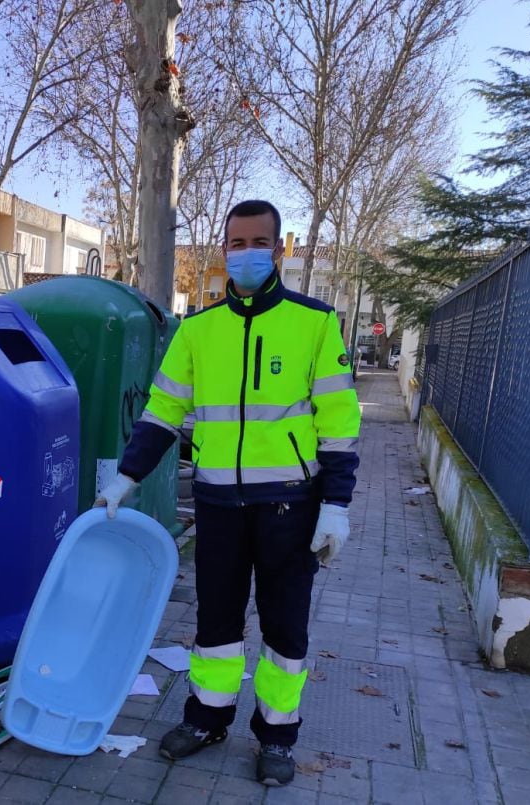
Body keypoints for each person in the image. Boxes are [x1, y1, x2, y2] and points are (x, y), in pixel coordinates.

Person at [96, 200, 360, 786]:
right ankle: (208, 719)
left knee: (284, 627)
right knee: (215, 622)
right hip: (218, 504)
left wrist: (337, 505)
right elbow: (163, 413)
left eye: (257, 242)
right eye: (235, 243)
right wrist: (126, 478)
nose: (245, 253)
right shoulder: (197, 330)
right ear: (223, 249)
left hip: (291, 505)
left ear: (280, 248)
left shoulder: (315, 324)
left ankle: (277, 736)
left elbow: (339, 424)